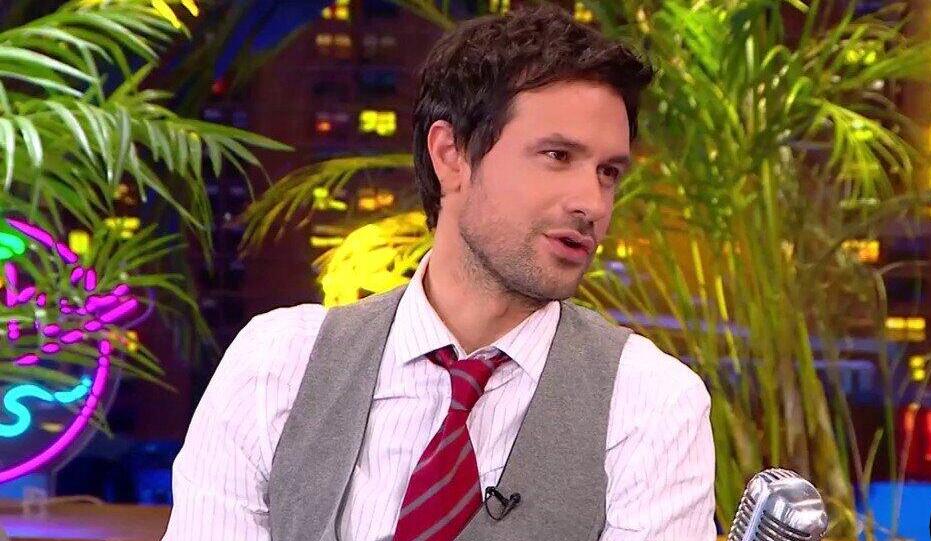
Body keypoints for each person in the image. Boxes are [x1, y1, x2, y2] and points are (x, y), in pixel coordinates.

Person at [162, 4, 715, 540]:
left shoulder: (650, 407)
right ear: (451, 155)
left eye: (608, 172)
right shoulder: (276, 367)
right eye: (557, 156)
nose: (591, 202)